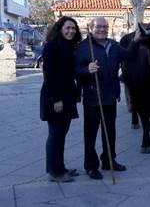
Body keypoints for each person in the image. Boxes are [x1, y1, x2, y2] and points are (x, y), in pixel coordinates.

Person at [75, 17, 140, 180]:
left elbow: (128, 56)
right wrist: (86, 69)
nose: (102, 29)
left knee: (110, 132)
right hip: (92, 97)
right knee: (90, 134)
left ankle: (109, 160)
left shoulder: (113, 45)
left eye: (105, 26)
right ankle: (90, 166)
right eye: (98, 27)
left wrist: (136, 41)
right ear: (91, 28)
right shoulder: (83, 47)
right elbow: (74, 70)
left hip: (111, 96)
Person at [40, 16, 82, 183]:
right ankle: (54, 172)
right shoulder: (52, 47)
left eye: (73, 28)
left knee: (61, 134)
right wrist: (56, 99)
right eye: (68, 28)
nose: (71, 31)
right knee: (56, 134)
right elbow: (49, 75)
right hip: (55, 97)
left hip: (66, 95)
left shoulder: (69, 46)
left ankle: (60, 167)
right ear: (60, 28)